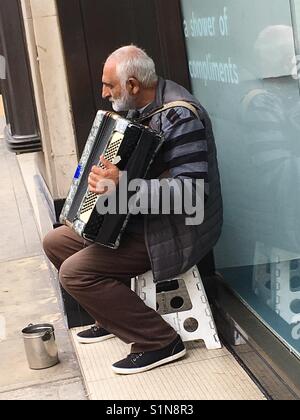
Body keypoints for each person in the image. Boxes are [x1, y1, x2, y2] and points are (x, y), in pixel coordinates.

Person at [43, 45, 223, 375]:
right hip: (142, 221)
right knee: (55, 242)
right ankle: (113, 316)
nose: (103, 92)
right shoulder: (139, 111)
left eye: (109, 85)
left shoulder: (180, 117)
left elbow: (193, 195)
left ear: (132, 85)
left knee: (75, 273)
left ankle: (159, 342)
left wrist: (122, 185)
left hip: (178, 231)